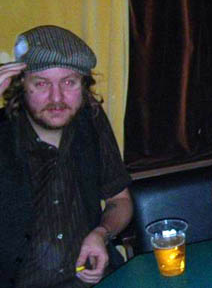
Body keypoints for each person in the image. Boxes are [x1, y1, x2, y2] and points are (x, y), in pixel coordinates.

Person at [0, 25, 133, 287]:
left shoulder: (91, 120)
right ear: (21, 84)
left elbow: (119, 200)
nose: (57, 97)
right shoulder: (4, 132)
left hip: (96, 280)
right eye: (41, 83)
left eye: (69, 82)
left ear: (83, 85)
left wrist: (102, 233)